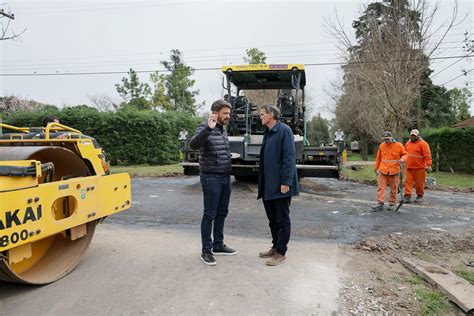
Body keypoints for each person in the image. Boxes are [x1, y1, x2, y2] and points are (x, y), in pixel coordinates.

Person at [189, 99, 236, 266]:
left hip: (224, 177)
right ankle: (206, 251)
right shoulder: (204, 127)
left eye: (228, 113)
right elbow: (194, 145)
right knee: (210, 214)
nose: (228, 116)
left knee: (222, 212)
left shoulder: (222, 130)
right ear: (215, 113)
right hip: (210, 177)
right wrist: (208, 128)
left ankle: (218, 245)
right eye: (225, 113)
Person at [257, 104, 299, 266]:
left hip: (281, 184)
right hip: (268, 184)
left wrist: (286, 181)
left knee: (282, 219)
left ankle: (281, 252)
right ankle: (275, 247)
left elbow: (289, 158)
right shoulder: (267, 132)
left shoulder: (284, 131)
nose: (260, 117)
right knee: (272, 219)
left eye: (262, 114)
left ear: (272, 115)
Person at [372, 131, 407, 212]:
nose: (386, 141)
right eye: (384, 139)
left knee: (393, 188)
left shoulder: (399, 145)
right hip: (383, 170)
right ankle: (380, 204)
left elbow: (405, 154)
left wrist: (403, 159)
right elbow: (378, 158)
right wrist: (376, 168)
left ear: (392, 138)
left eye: (387, 139)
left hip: (394, 171)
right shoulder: (382, 145)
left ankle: (392, 203)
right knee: (381, 188)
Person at [403, 129, 432, 203]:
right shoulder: (408, 143)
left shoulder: (423, 144)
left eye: (414, 136)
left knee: (419, 183)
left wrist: (428, 165)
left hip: (419, 168)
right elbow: (405, 153)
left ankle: (419, 196)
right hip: (408, 167)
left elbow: (427, 156)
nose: (412, 137)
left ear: (418, 136)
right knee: (407, 182)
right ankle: (407, 196)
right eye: (411, 135)